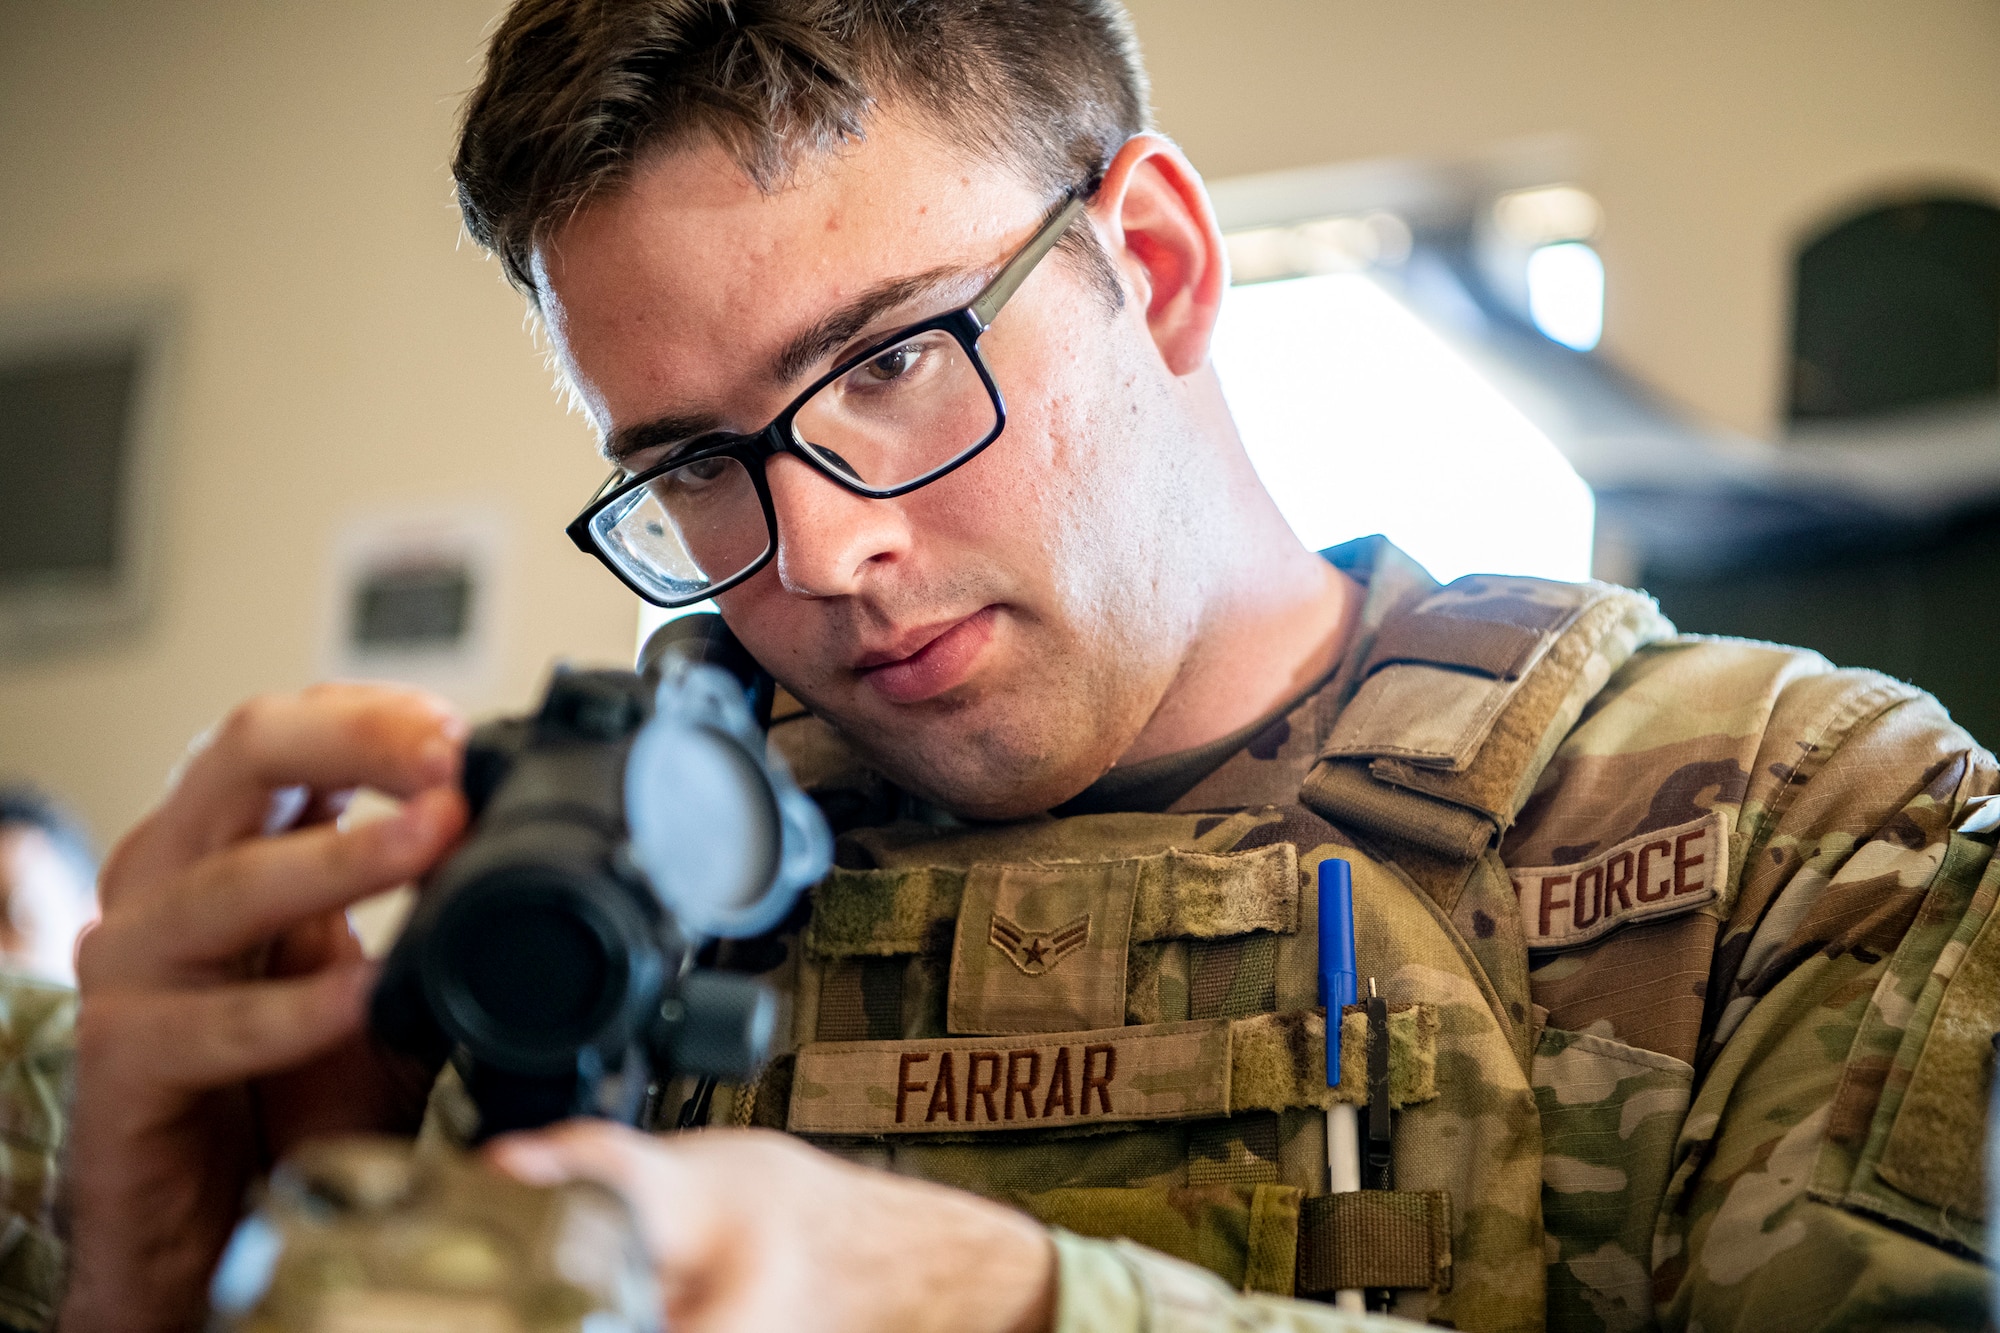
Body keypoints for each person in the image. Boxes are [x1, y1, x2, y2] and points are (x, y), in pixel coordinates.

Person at [59, 2, 1996, 1330]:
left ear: (1150, 264)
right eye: (687, 462)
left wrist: (990, 1292)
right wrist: (169, 1260)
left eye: (890, 361)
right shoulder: (590, 894)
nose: (821, 552)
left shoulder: (1802, 837)